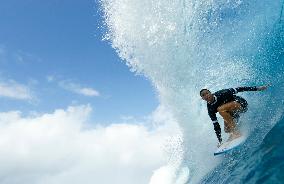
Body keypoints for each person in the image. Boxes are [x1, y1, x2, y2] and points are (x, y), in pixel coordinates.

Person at [200, 85, 269, 147]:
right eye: (203, 95)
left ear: (210, 92)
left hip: (241, 104)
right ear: (203, 98)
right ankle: (234, 131)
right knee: (227, 130)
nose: (206, 95)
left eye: (207, 93)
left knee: (220, 109)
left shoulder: (223, 93)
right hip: (233, 112)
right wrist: (220, 141)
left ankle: (236, 133)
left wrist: (257, 88)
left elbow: (240, 89)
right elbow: (216, 126)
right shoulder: (210, 109)